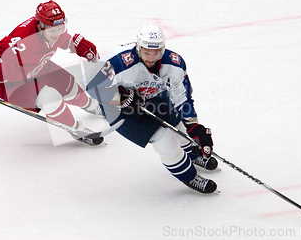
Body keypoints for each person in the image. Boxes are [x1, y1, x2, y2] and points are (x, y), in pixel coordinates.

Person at [86, 24, 219, 193]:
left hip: (152, 97)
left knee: (180, 126)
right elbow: (90, 85)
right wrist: (118, 97)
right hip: (121, 110)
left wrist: (195, 127)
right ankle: (190, 176)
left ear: (162, 50)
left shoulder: (174, 64)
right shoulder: (119, 62)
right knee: (164, 138)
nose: (150, 57)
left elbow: (182, 98)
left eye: (155, 53)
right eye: (146, 52)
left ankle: (193, 154)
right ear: (138, 47)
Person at [0, 0, 103, 145]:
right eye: (53, 30)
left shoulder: (52, 29)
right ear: (40, 26)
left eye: (60, 28)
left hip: (37, 68)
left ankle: (91, 105)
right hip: (13, 85)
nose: (58, 33)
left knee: (68, 83)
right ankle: (75, 129)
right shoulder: (21, 41)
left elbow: (64, 39)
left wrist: (77, 45)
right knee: (50, 97)